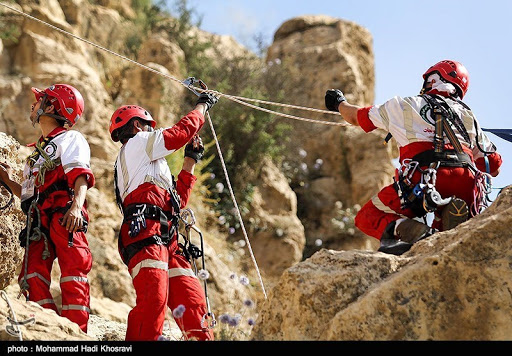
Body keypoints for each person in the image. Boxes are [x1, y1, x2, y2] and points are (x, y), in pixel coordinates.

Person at [325, 59, 502, 255]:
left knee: (368, 216)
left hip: (426, 178)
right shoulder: (468, 116)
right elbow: (493, 166)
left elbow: (355, 117)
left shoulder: (404, 105)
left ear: (433, 80)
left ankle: (412, 231)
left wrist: (338, 102)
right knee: (446, 234)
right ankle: (443, 223)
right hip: (467, 183)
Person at [109, 91, 218, 341]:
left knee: (193, 303)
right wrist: (202, 106)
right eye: (149, 126)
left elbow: (176, 203)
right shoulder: (137, 144)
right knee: (153, 301)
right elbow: (179, 133)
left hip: (165, 233)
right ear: (138, 126)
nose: (153, 132)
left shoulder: (150, 164)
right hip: (144, 229)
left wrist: (189, 162)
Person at [0, 84, 95, 332]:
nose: (34, 104)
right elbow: (28, 195)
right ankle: (52, 330)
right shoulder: (34, 155)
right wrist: (9, 180)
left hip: (64, 214)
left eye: (40, 99)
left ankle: (78, 335)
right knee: (31, 276)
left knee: (74, 273)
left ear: (52, 107)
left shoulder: (70, 138)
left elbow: (80, 175)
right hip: (38, 219)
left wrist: (77, 206)